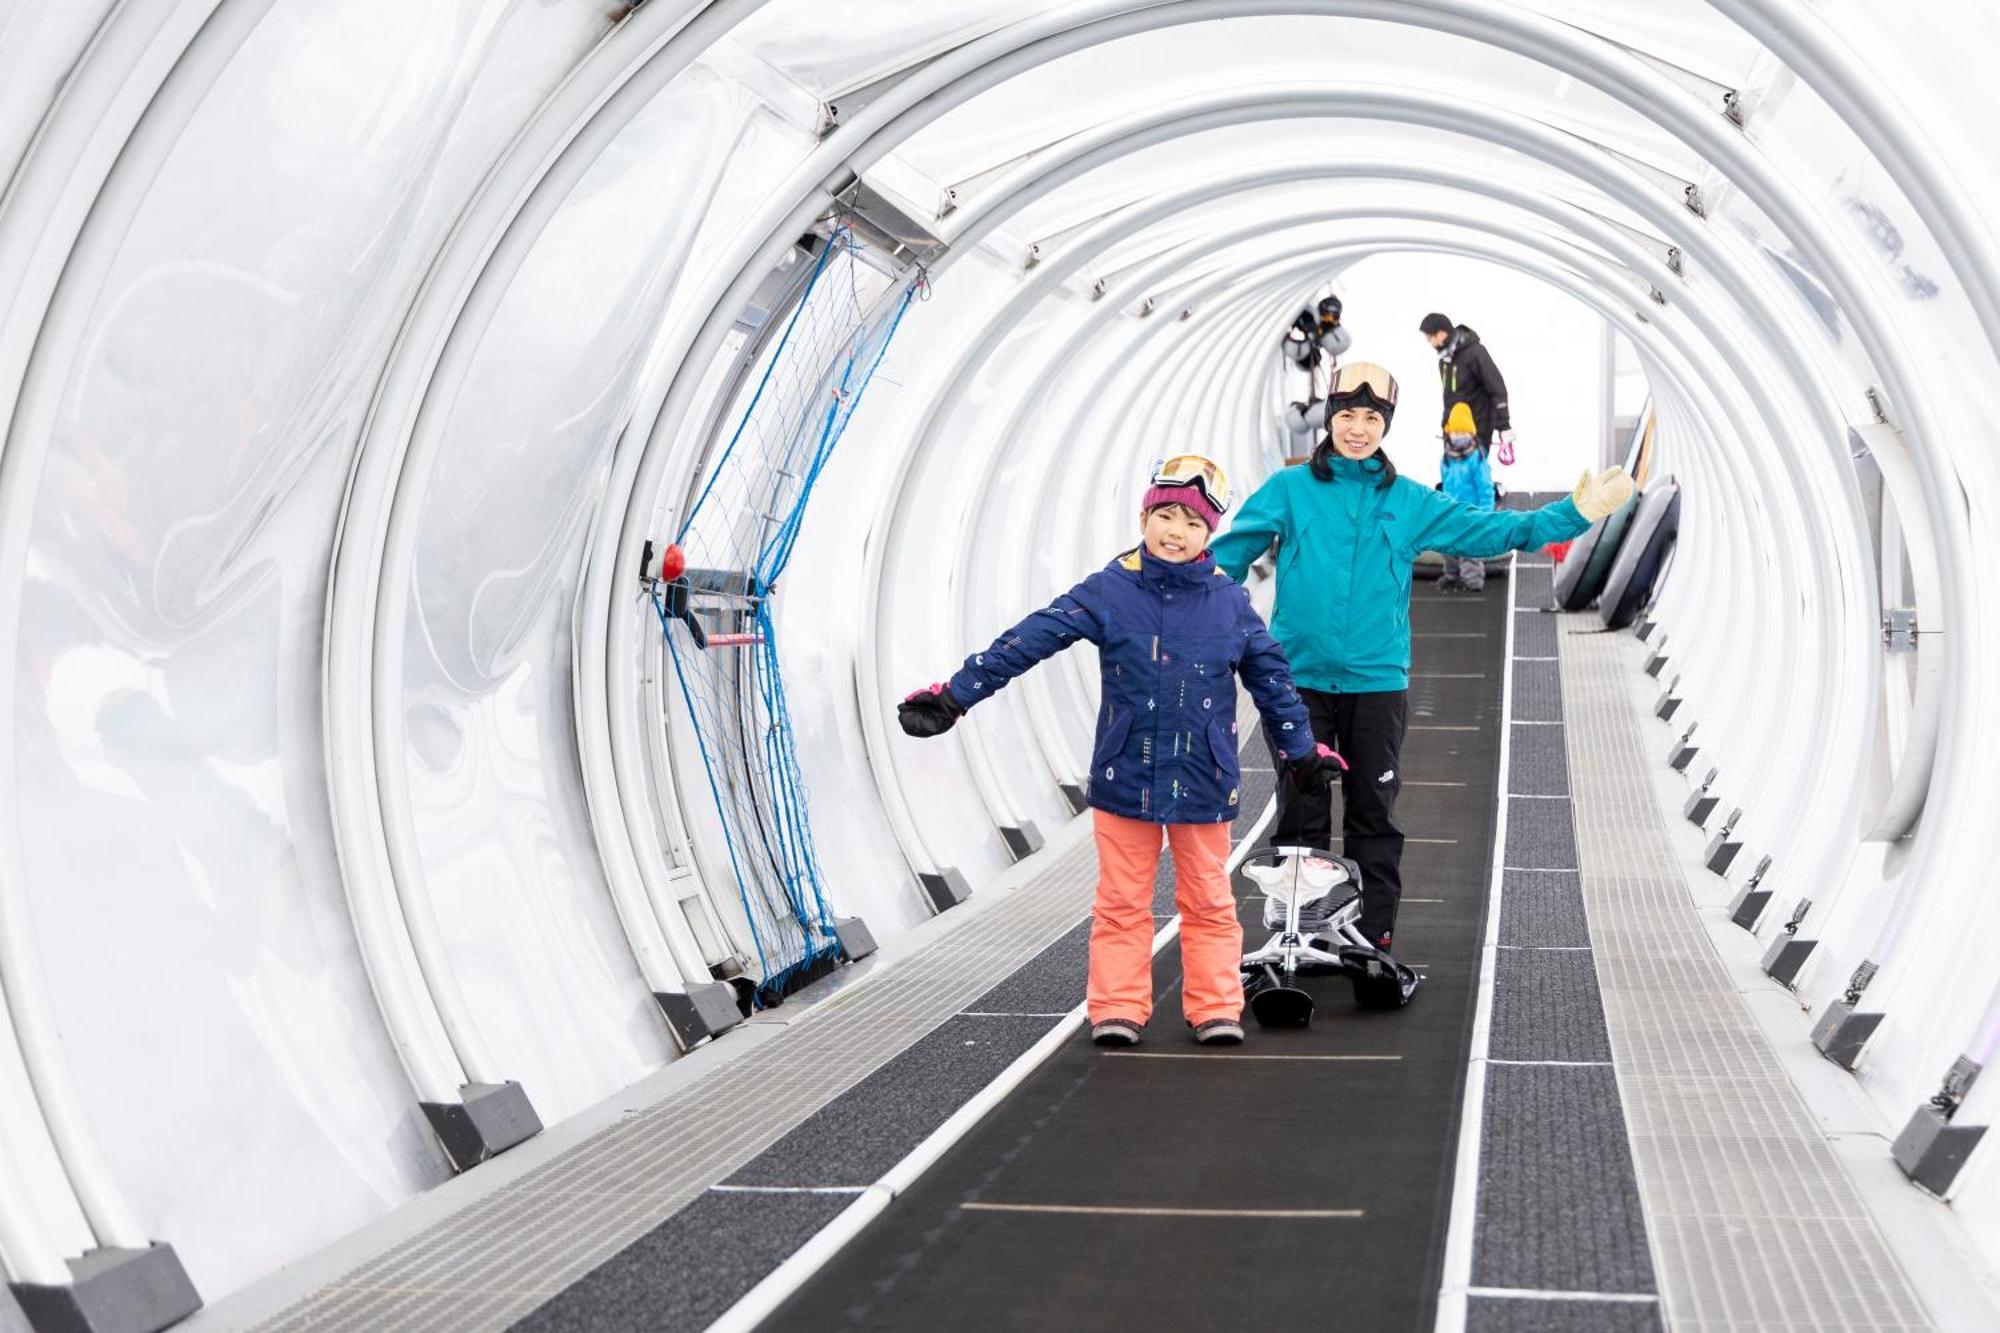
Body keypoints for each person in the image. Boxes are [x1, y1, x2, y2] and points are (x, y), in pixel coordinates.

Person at [897, 456, 1345, 1047]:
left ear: (1210, 534)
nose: (1175, 532)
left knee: (1209, 899)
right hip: (1125, 772)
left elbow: (1273, 681)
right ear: (1143, 516)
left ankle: (1215, 1008)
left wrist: (1299, 750)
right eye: (1164, 515)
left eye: (1191, 522)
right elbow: (1029, 640)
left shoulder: (1227, 602)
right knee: (1121, 902)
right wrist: (954, 695)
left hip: (1204, 776)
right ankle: (1118, 1009)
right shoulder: (1110, 591)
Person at [1210, 363, 1633, 951]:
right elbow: (1227, 557)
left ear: (1386, 426)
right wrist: (1193, 623)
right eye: (1347, 416)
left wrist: (1573, 514)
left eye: (1372, 418)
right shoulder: (1288, 490)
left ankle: (1369, 934)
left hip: (1377, 682)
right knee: (1302, 813)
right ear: (1329, 419)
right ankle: (1294, 936)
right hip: (1297, 682)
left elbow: (1488, 532)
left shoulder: (1407, 500)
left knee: (1372, 811)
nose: (1358, 429)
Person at [1420, 312, 1514, 464]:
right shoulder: (1444, 360)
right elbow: (1449, 396)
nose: (1430, 343)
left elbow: (1497, 389)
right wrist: (1445, 425)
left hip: (1478, 429)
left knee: (1475, 475)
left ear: (1441, 333)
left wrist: (1504, 426)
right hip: (1454, 430)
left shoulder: (1475, 353)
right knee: (1455, 475)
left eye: (1430, 338)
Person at [1437, 401, 1494, 592]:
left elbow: (1485, 489)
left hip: (1472, 513)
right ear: (1449, 434)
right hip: (1451, 512)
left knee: (1469, 547)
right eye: (1456, 433)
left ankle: (1473, 582)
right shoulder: (1446, 459)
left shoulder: (1477, 459)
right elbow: (1446, 486)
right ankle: (1452, 575)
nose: (1459, 437)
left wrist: (1485, 515)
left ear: (1472, 434)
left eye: (1464, 433)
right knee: (1447, 544)